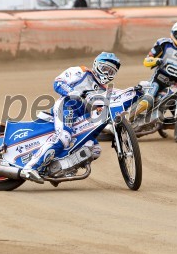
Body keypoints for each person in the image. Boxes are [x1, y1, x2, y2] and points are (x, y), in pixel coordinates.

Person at [20, 52, 121, 183]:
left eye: (111, 72)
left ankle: (59, 170)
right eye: (104, 69)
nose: (107, 74)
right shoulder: (81, 72)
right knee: (64, 137)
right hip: (67, 107)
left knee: (94, 149)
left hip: (80, 120)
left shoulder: (105, 92)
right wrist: (71, 92)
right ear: (96, 65)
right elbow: (58, 82)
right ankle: (29, 168)